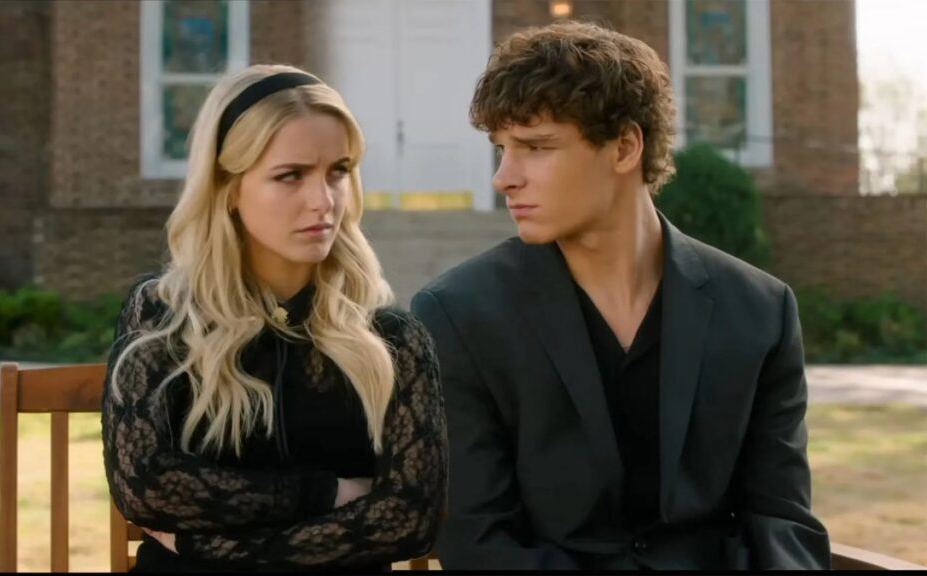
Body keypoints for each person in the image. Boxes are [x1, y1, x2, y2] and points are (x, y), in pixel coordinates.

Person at [411, 21, 830, 570]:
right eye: (501, 149)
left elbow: (782, 524)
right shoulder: (458, 315)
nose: (504, 177)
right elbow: (479, 544)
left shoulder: (759, 311)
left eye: (535, 147)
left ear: (625, 147)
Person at [101, 64, 446, 572]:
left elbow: (409, 519)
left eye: (338, 171)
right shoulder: (164, 317)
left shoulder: (392, 340)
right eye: (290, 176)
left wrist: (204, 547)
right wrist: (327, 492)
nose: (323, 201)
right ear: (227, 188)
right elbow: (146, 486)